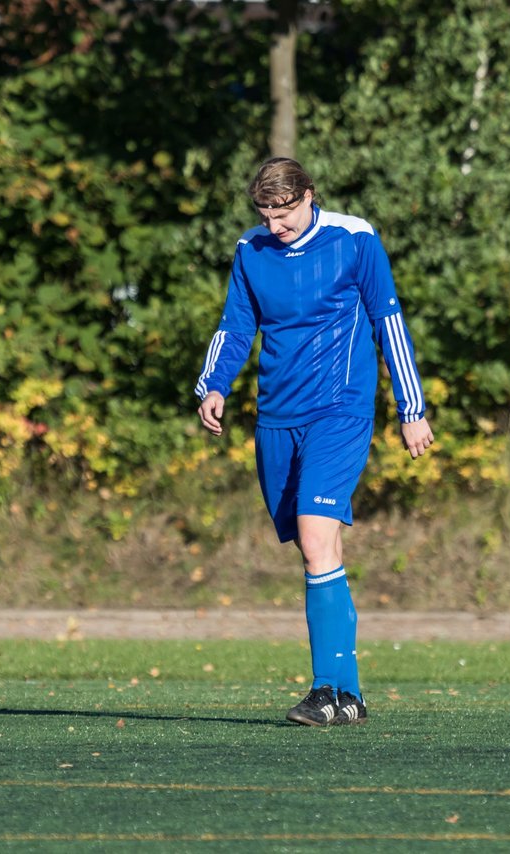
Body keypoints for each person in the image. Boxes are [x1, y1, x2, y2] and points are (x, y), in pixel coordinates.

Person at [194, 157, 434, 726]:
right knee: (312, 550)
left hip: (340, 410)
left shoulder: (354, 239)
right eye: (266, 214)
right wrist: (214, 385)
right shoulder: (250, 251)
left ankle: (325, 690)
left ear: (309, 196)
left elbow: (388, 321)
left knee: (316, 535)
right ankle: (350, 698)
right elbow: (236, 324)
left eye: (285, 213)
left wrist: (411, 408)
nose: (276, 226)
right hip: (277, 416)